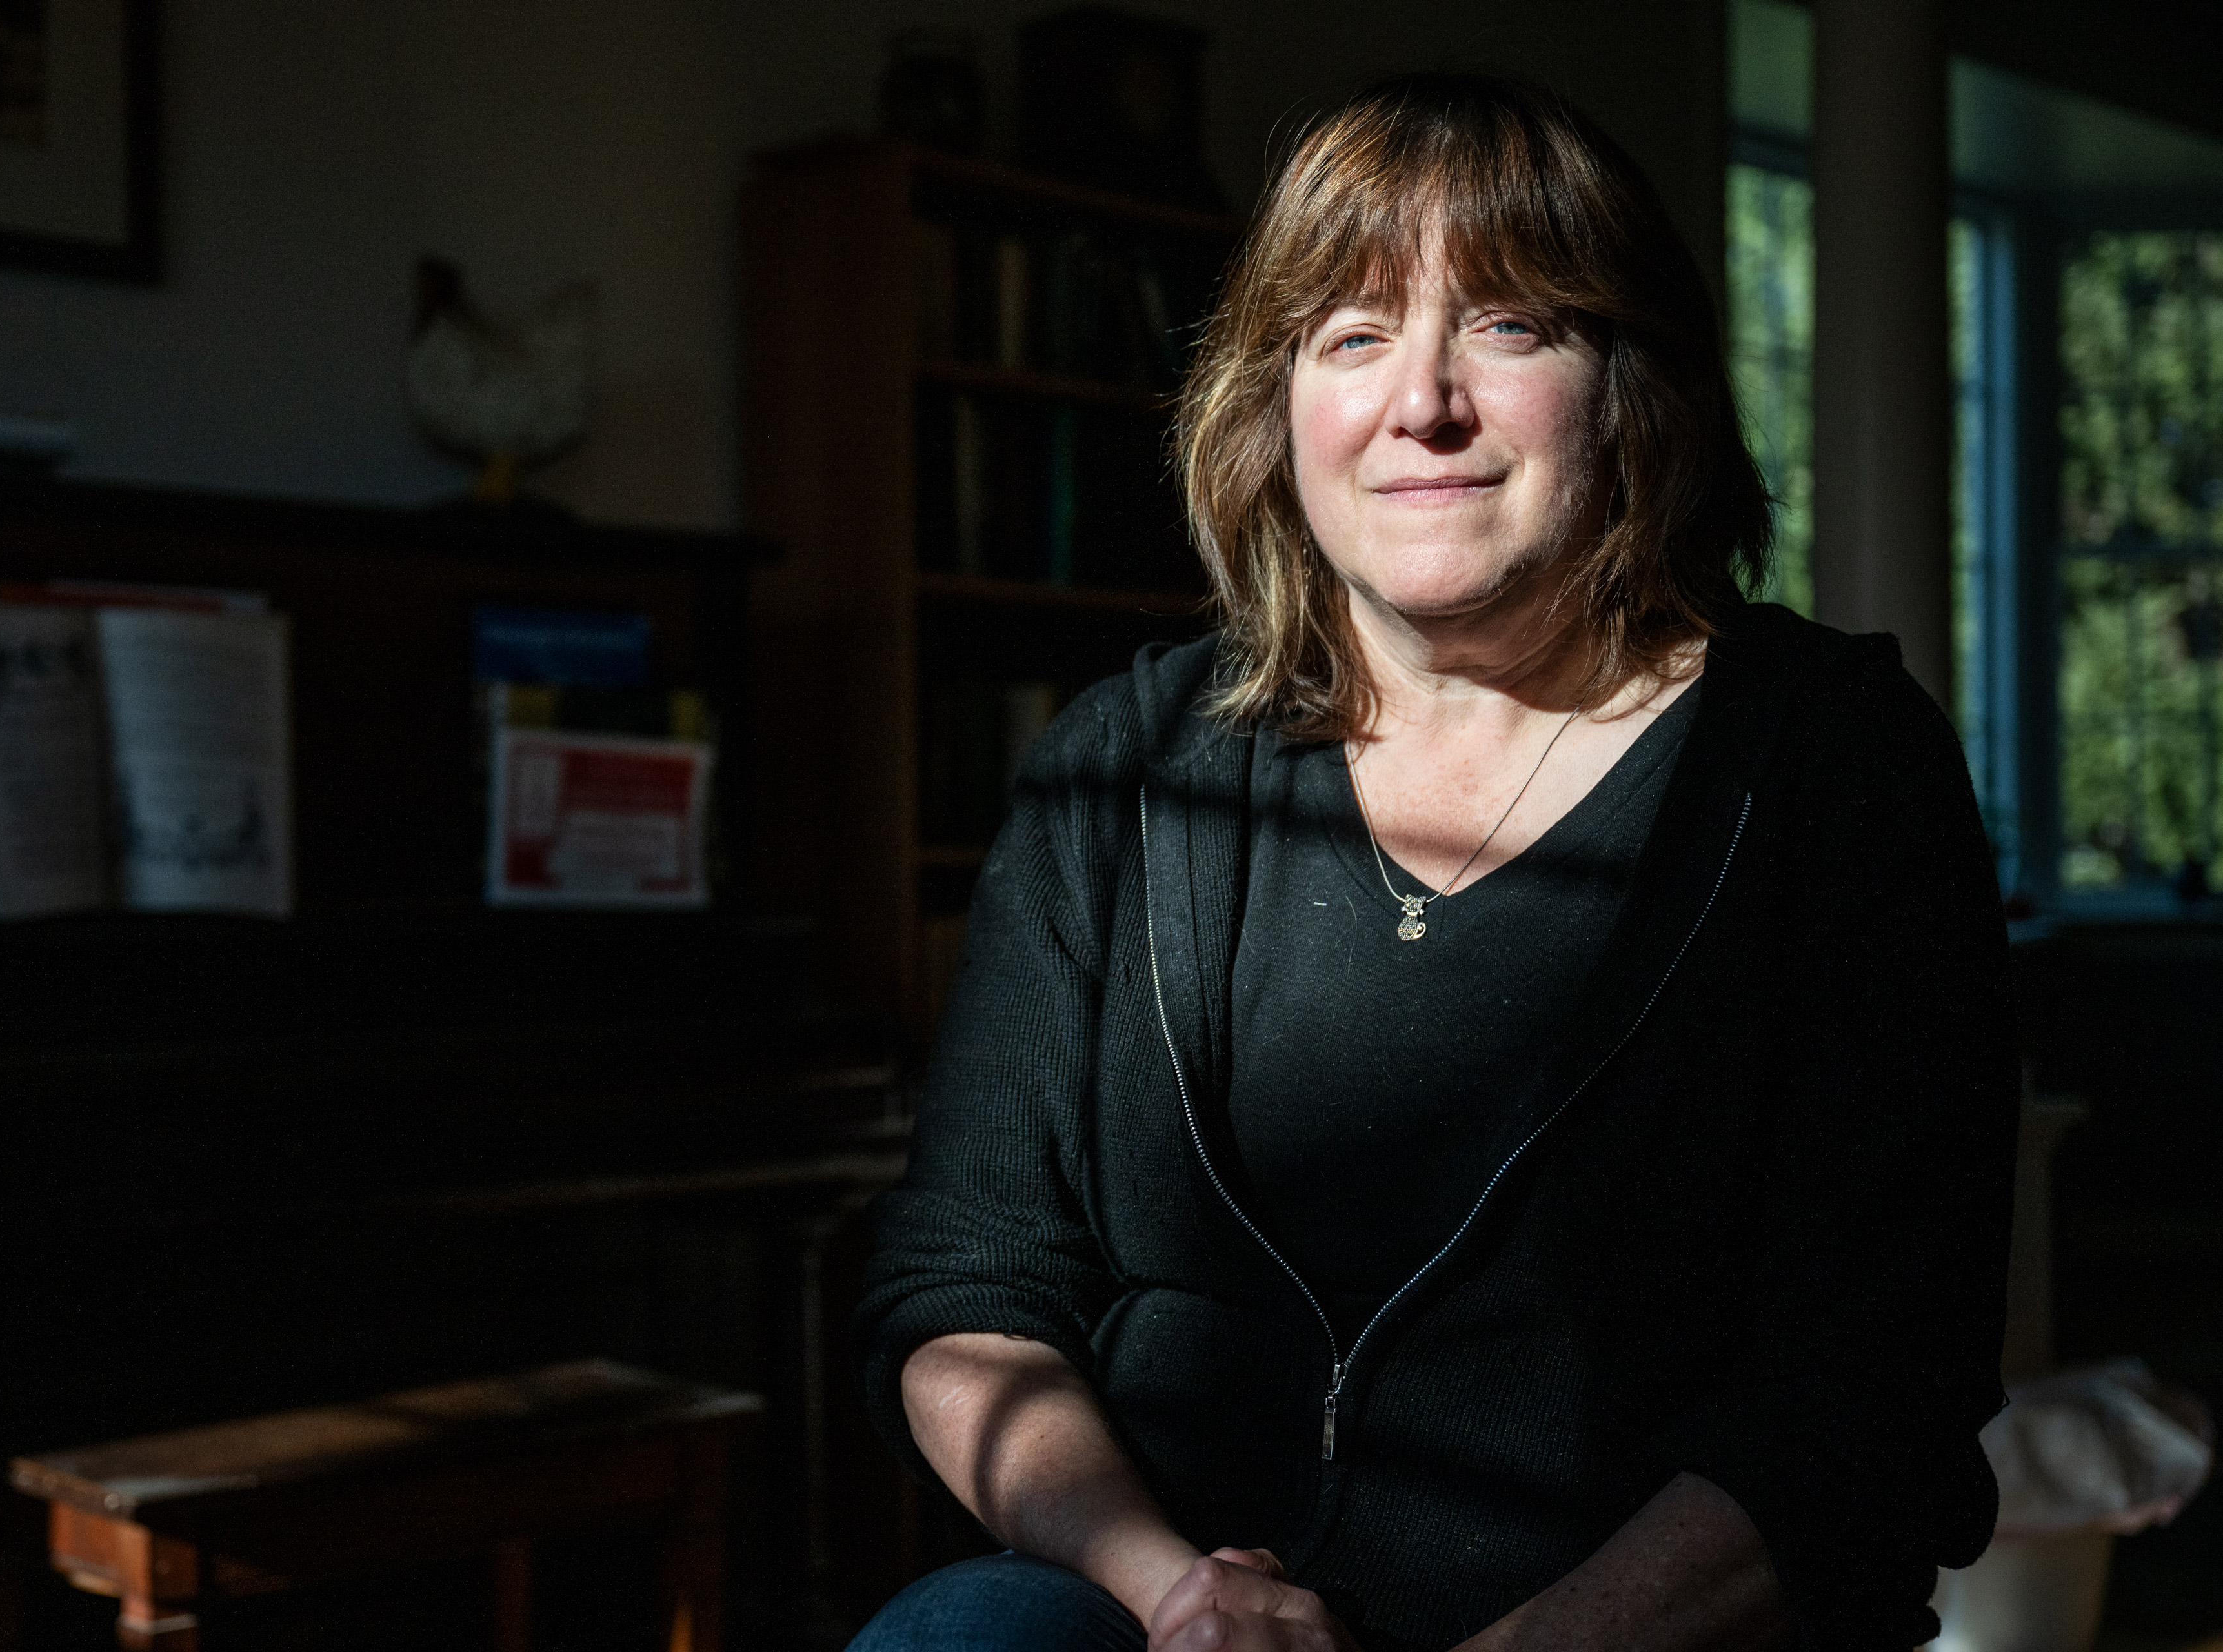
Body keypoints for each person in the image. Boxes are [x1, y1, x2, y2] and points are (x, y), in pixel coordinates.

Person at [850, 74, 2017, 1652]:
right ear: (1274, 408)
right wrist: (1171, 1588)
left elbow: (1871, 1388)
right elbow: (967, 1289)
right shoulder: (1123, 771)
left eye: (1511, 326)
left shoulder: (1831, 772)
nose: (1423, 402)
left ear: (1632, 378)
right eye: (1350, 336)